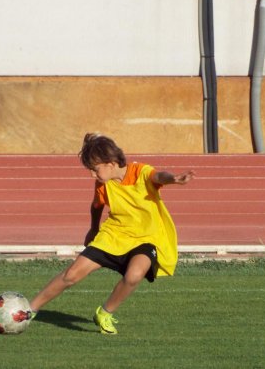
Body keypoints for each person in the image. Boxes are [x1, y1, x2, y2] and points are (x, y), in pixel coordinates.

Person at [29, 133, 194, 334]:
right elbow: (96, 206)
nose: (92, 175)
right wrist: (93, 228)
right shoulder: (103, 184)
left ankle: (105, 313)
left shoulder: (140, 171)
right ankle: (30, 309)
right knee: (72, 275)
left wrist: (174, 179)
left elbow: (159, 176)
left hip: (147, 238)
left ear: (111, 163)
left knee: (134, 275)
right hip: (114, 235)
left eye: (94, 169)